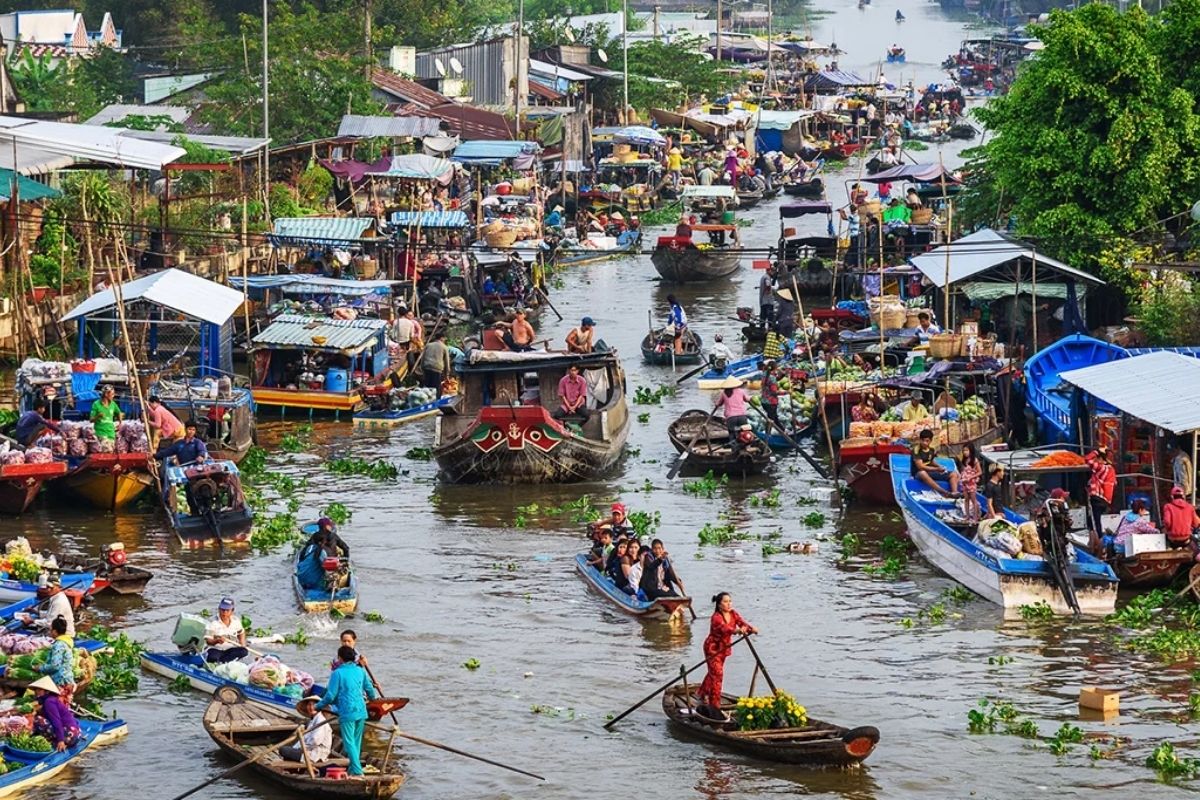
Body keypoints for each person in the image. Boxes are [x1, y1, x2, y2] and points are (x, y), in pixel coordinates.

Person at [316, 645, 379, 776]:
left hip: (347, 710)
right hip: (361, 710)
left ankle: (357, 770)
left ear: (340, 658)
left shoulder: (337, 673)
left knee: (349, 741)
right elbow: (369, 689)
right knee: (356, 741)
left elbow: (330, 695)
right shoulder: (360, 671)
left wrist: (318, 705)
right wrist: (372, 699)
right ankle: (352, 768)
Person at [697, 592, 758, 721]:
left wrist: (750, 628)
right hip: (713, 649)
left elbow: (742, 623)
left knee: (713, 673)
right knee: (718, 674)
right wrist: (737, 631)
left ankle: (702, 693)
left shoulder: (733, 613)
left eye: (730, 601)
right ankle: (715, 704)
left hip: (724, 649)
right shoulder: (716, 617)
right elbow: (725, 629)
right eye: (725, 601)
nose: (729, 604)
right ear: (719, 605)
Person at [30, 677, 81, 753]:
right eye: (36, 689)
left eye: (39, 690)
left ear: (46, 691)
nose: (37, 692)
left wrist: (61, 740)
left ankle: (57, 740)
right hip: (76, 732)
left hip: (69, 735)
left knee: (38, 720)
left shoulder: (49, 702)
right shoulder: (50, 699)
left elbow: (56, 720)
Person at [278, 695, 333, 764]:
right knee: (287, 750)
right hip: (309, 750)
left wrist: (300, 748)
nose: (311, 707)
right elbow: (304, 739)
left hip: (316, 754)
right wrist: (296, 748)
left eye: (314, 705)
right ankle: (292, 770)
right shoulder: (312, 721)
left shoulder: (321, 721)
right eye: (309, 705)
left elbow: (315, 741)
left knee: (283, 750)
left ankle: (294, 769)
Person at [37, 616, 76, 704]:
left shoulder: (58, 645)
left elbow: (55, 666)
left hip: (61, 681)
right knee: (64, 706)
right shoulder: (67, 642)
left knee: (57, 705)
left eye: (51, 630)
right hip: (68, 679)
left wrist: (40, 668)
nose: (50, 632)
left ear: (55, 631)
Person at [911, 428, 960, 496]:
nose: (925, 443)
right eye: (923, 440)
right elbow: (920, 466)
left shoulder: (931, 450)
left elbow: (931, 461)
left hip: (930, 472)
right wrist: (936, 469)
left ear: (930, 441)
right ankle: (943, 492)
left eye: (927, 441)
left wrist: (939, 467)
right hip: (918, 473)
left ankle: (955, 492)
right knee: (923, 473)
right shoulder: (916, 450)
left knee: (953, 474)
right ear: (920, 440)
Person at [1085, 446, 1116, 548]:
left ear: (1101, 459)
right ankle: (1095, 542)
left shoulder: (1102, 468)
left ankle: (1097, 545)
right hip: (1104, 500)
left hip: (1098, 498)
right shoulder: (1111, 470)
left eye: (1097, 459)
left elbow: (1087, 459)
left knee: (1095, 521)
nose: (1096, 461)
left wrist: (1096, 451)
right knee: (1092, 520)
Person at [204, 596, 248, 663]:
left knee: (244, 651)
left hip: (230, 649)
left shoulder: (236, 621)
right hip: (216, 649)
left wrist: (242, 643)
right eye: (222, 610)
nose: (224, 613)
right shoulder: (212, 622)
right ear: (219, 609)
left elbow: (241, 632)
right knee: (212, 657)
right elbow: (208, 641)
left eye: (227, 610)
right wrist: (217, 641)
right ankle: (222, 661)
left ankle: (224, 661)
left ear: (232, 611)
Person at [959, 442, 983, 522]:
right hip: (964, 483)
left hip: (971, 483)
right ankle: (967, 516)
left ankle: (975, 518)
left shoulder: (975, 461)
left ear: (971, 451)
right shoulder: (964, 460)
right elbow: (963, 470)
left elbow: (980, 472)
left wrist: (971, 477)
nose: (965, 452)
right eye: (964, 450)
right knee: (966, 499)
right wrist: (962, 477)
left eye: (966, 450)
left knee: (973, 500)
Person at [759, 360, 782, 424]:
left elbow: (777, 377)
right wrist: (787, 392)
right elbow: (774, 392)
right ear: (775, 368)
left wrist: (779, 371)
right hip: (771, 402)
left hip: (764, 401)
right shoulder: (772, 378)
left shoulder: (764, 374)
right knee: (771, 421)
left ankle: (783, 431)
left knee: (774, 418)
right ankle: (768, 433)